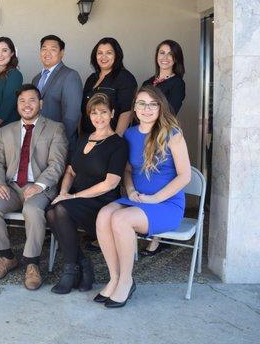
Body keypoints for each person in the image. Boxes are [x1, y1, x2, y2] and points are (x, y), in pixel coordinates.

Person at [95, 86, 191, 308]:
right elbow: (128, 171)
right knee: (103, 215)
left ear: (160, 107)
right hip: (137, 199)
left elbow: (185, 176)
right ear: (135, 108)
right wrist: (129, 191)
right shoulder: (129, 134)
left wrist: (155, 199)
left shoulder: (173, 134)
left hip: (166, 204)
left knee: (121, 220)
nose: (147, 109)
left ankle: (127, 281)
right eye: (141, 103)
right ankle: (114, 278)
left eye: (152, 104)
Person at [0, 84, 67, 290]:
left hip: (40, 187)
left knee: (32, 209)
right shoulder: (6, 131)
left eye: (31, 100)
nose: (27, 105)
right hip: (11, 186)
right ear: (17, 105)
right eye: (22, 101)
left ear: (41, 104)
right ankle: (6, 257)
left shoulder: (55, 128)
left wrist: (39, 185)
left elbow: (57, 163)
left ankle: (32, 263)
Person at [46, 93, 128, 295]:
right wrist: (64, 191)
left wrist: (72, 197)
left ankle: (72, 268)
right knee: (51, 211)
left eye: (103, 112)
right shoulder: (84, 139)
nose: (98, 117)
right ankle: (81, 264)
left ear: (112, 114)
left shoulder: (118, 144)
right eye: (93, 113)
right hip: (78, 199)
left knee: (61, 210)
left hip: (103, 202)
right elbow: (71, 171)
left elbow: (111, 183)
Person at [141, 39, 187, 256]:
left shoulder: (177, 83)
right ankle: (145, 225)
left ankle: (158, 236)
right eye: (162, 52)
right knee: (143, 180)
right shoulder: (149, 81)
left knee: (161, 179)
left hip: (161, 137)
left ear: (176, 59)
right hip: (142, 136)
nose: (165, 57)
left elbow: (171, 111)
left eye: (170, 54)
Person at [32, 35, 82, 152]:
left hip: (59, 145)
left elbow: (72, 115)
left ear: (62, 53)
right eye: (44, 49)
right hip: (37, 142)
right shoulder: (36, 78)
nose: (47, 53)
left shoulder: (70, 75)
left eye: (53, 49)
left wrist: (60, 141)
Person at [80, 37, 137, 137]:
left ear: (117, 55)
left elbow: (127, 111)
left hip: (108, 138)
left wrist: (116, 139)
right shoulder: (91, 79)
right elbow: (84, 111)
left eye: (109, 53)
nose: (103, 57)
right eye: (100, 53)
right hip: (87, 137)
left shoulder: (125, 77)